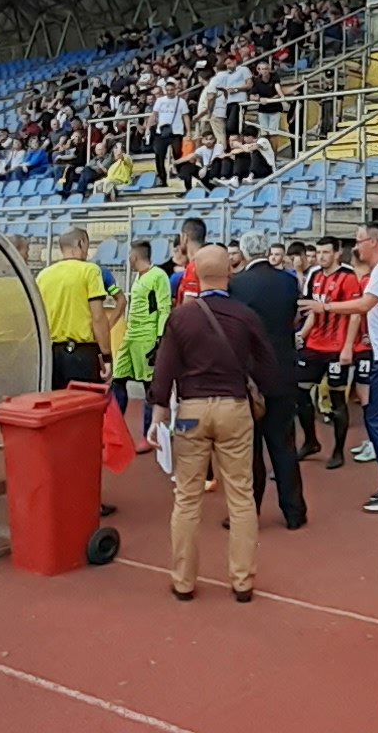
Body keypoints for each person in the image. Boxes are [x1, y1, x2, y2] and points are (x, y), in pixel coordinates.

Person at [147, 245, 272, 602]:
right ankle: (242, 580)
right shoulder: (245, 315)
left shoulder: (182, 318)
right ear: (229, 272)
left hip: (191, 410)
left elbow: (164, 370)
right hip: (234, 407)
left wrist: (158, 414)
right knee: (241, 496)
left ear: (195, 274)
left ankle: (183, 580)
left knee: (187, 498)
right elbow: (267, 366)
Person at [300, 222, 378, 513]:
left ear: (373, 242)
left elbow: (364, 304)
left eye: (359, 241)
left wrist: (326, 308)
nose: (356, 247)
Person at [230, 231, 309, 531]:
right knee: (284, 444)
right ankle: (294, 512)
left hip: (250, 374)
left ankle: (249, 512)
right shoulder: (288, 281)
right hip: (284, 369)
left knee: (249, 450)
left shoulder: (238, 284)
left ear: (245, 252)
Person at [296, 237, 366, 468]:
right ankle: (311, 441)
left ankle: (338, 451)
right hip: (314, 345)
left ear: (337, 253)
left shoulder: (348, 276)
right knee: (299, 392)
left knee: (337, 399)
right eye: (318, 252)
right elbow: (312, 310)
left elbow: (355, 313)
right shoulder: (315, 275)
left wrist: (348, 347)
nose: (321, 257)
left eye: (326, 252)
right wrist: (302, 335)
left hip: (337, 347)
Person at [37, 228, 115, 390]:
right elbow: (98, 317)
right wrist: (107, 356)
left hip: (52, 354)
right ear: (81, 244)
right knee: (84, 402)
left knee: (56, 402)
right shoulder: (90, 271)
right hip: (83, 354)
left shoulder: (43, 276)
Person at [114, 240, 171, 454]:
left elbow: (164, 307)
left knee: (149, 387)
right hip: (131, 337)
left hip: (147, 338)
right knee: (118, 380)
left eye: (129, 255)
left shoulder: (158, 276)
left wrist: (160, 338)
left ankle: (149, 434)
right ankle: (114, 432)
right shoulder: (139, 277)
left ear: (135, 257)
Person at [150, 77, 188, 186]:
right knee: (159, 155)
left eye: (172, 90)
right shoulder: (160, 101)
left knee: (178, 154)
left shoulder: (181, 102)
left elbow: (185, 116)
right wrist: (148, 127)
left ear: (175, 89)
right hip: (162, 131)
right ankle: (162, 178)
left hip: (176, 132)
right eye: (168, 90)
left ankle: (181, 174)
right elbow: (154, 114)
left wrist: (189, 131)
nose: (170, 92)